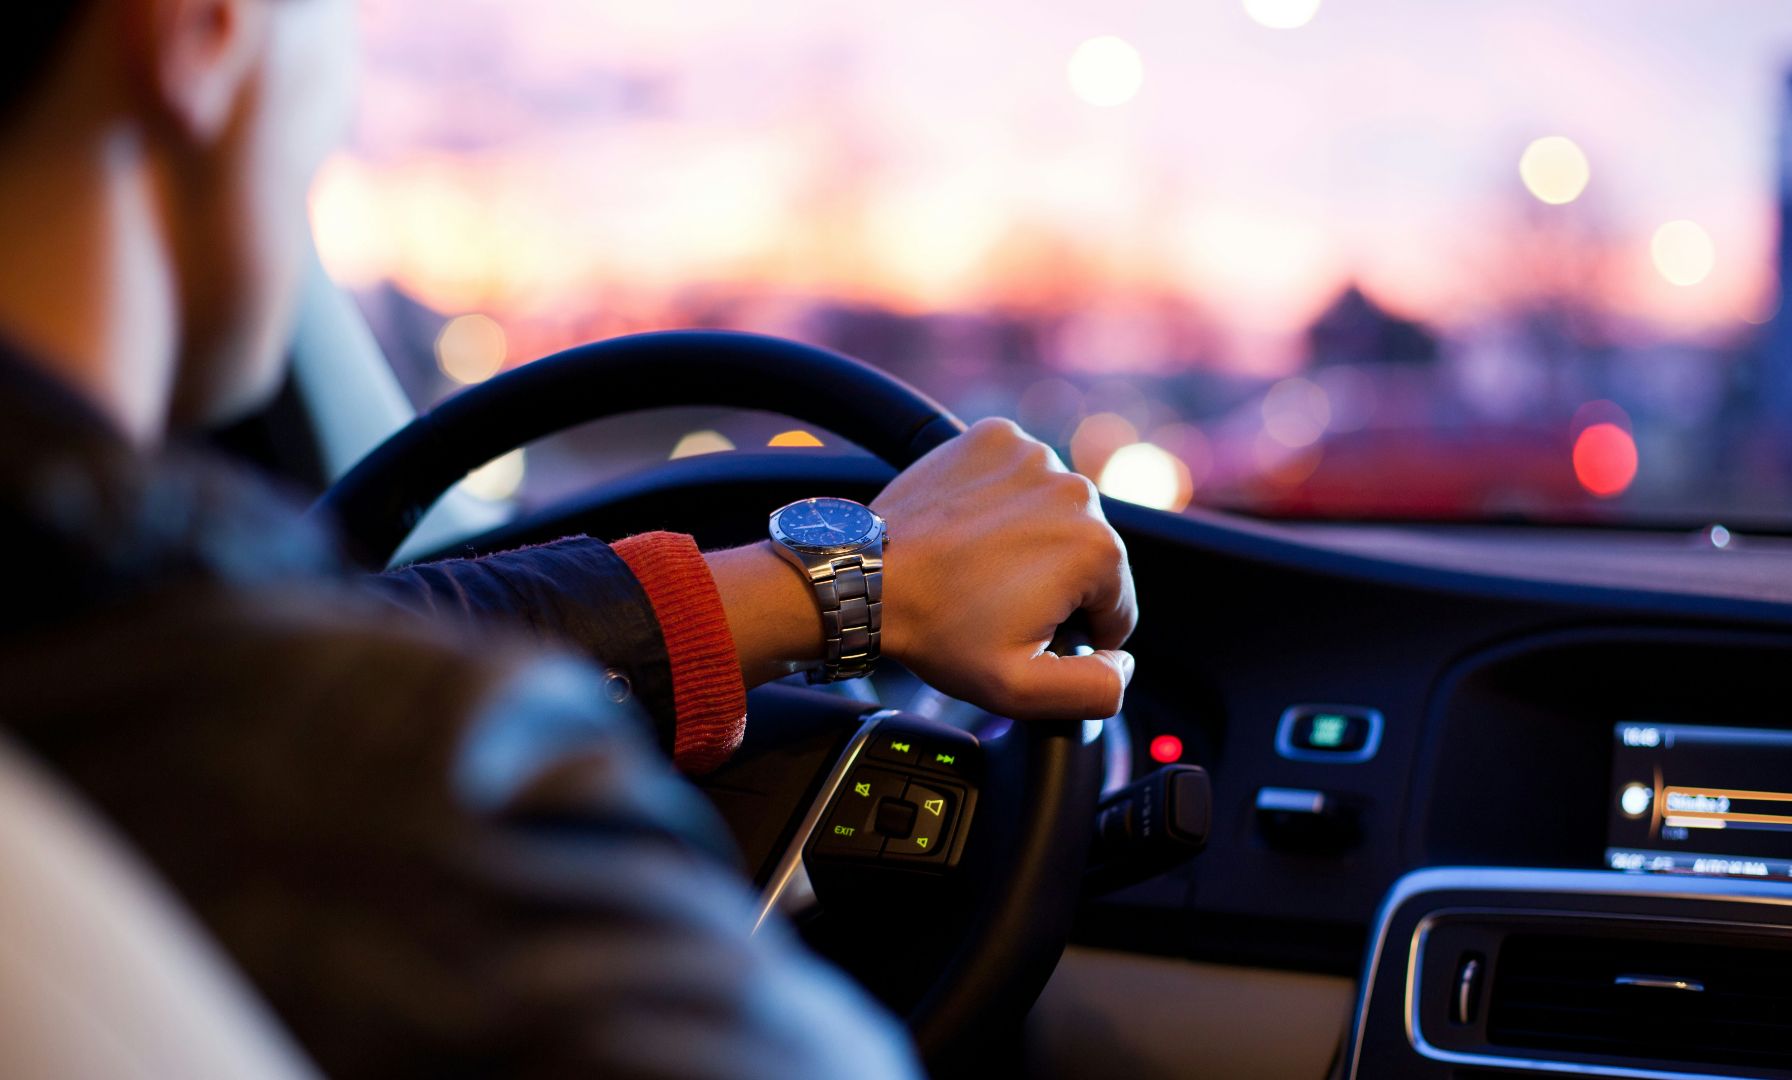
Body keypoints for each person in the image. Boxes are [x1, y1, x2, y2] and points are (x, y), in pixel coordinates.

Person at [0, 0, 1138, 1075]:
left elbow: (310, 626)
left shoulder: (101, 651)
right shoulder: (409, 800)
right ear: (202, 27)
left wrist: (836, 588)